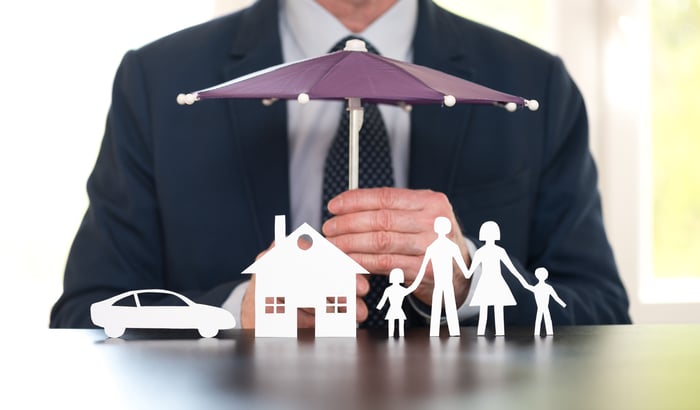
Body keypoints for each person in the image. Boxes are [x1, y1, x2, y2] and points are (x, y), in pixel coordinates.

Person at [50, 0, 631, 330]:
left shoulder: (532, 84)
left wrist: (471, 280)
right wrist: (235, 315)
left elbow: (601, 312)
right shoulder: (159, 82)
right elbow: (83, 318)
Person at [465, 221, 531, 336]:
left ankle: (486, 332)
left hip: (491, 282)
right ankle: (491, 332)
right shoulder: (493, 251)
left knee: (488, 309)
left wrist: (524, 283)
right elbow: (512, 269)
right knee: (493, 310)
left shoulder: (483, 252)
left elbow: (469, 272)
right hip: (492, 282)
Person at [412, 217, 469, 336]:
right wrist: (469, 273)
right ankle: (452, 332)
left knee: (438, 308)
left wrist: (413, 285)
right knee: (449, 307)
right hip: (445, 284)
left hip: (442, 284)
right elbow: (463, 267)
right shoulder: (450, 247)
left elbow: (422, 269)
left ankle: (436, 333)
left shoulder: (433, 248)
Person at [376, 268, 419, 338]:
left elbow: (383, 300)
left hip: (398, 309)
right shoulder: (391, 290)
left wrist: (417, 282)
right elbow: (383, 300)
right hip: (393, 309)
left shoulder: (394, 289)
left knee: (399, 325)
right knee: (394, 325)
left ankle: (399, 336)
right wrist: (379, 307)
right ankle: (392, 336)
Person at [524, 267, 567, 336]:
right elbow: (526, 286)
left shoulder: (544, 287)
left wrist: (563, 304)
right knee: (542, 320)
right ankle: (539, 333)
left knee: (543, 320)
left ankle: (545, 333)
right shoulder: (538, 287)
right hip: (541, 307)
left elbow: (556, 297)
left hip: (544, 307)